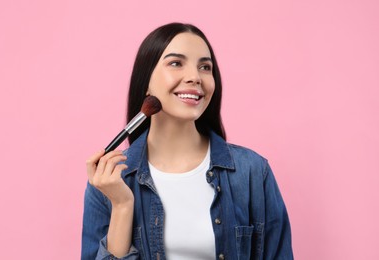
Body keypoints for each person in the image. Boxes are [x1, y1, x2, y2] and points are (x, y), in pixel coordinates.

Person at [82, 22, 293, 260]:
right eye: (175, 63)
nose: (195, 77)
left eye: (205, 67)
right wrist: (121, 206)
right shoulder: (108, 181)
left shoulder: (253, 172)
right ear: (146, 82)